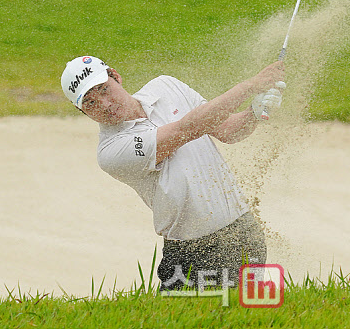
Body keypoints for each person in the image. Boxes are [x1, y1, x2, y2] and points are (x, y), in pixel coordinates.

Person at [60, 55, 285, 290]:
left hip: (244, 233)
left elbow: (227, 130)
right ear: (82, 111)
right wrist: (250, 86)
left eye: (104, 89)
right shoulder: (111, 151)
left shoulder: (166, 86)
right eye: (90, 103)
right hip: (192, 252)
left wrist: (254, 111)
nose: (104, 104)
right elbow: (187, 129)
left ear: (116, 77)